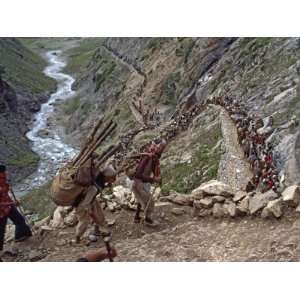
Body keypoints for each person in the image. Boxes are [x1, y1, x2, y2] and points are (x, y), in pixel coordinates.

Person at [74, 165, 117, 244]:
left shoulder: (99, 182)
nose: (114, 179)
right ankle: (78, 238)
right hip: (82, 204)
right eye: (113, 177)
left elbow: (94, 193)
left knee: (99, 214)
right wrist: (89, 210)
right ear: (106, 176)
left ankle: (101, 231)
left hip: (91, 200)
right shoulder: (94, 187)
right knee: (84, 221)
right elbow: (86, 202)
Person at [132, 138, 167, 226]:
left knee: (144, 200)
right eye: (161, 147)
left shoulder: (153, 157)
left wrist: (157, 178)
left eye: (163, 147)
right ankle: (148, 220)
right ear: (156, 146)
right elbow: (138, 174)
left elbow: (154, 169)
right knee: (150, 202)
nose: (162, 149)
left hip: (142, 182)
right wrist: (153, 179)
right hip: (139, 183)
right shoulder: (148, 157)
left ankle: (137, 218)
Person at [0, 165, 32, 261]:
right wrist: (12, 202)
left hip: (8, 206)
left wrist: (12, 202)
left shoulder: (3, 181)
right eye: (4, 172)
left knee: (19, 220)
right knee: (1, 232)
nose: (6, 173)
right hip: (1, 211)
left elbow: (4, 194)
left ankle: (20, 236)